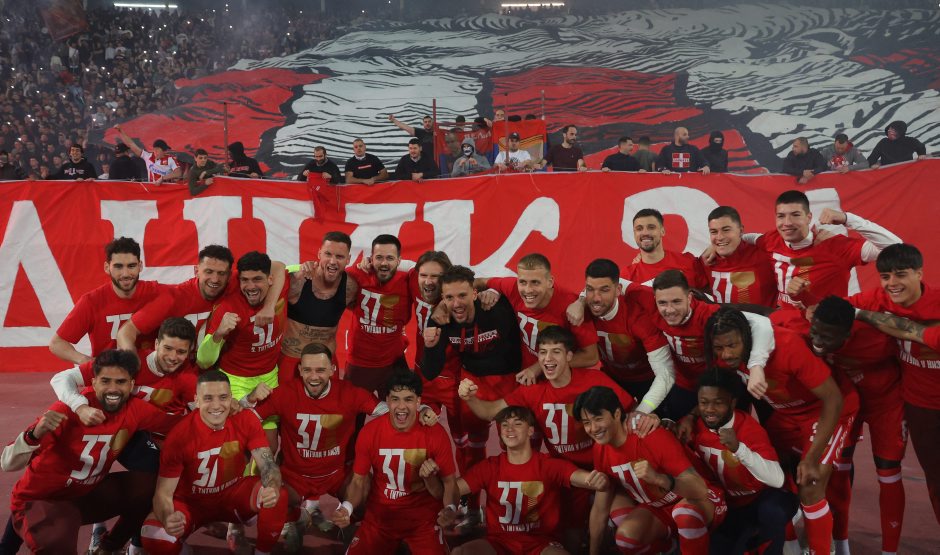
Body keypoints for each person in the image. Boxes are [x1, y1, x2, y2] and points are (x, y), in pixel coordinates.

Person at [248, 343, 438, 549]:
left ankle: (347, 522)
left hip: (337, 474)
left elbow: (390, 410)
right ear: (300, 370)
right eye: (308, 370)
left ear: (332, 369)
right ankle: (295, 518)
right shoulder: (284, 393)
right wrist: (248, 399)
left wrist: (422, 409)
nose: (314, 377)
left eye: (321, 370)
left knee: (371, 496)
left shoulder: (350, 393)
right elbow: (246, 419)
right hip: (295, 476)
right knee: (272, 496)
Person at [705, 307, 857, 555]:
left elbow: (833, 399)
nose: (726, 354)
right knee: (772, 471)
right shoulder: (725, 353)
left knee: (810, 481)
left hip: (824, 409)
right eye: (719, 348)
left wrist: (810, 458)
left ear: (746, 336)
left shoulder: (787, 347)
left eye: (732, 345)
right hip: (786, 415)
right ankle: (793, 547)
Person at [2, 350, 177, 554]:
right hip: (43, 499)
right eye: (105, 381)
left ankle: (107, 548)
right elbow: (7, 463)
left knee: (152, 486)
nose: (113, 389)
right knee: (55, 542)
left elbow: (177, 426)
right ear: (93, 383)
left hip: (84, 495)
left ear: (131, 385)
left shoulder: (135, 409)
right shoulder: (65, 410)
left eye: (120, 382)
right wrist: (34, 434)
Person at [778, 296, 907, 554]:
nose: (818, 341)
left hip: (885, 403)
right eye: (816, 332)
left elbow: (911, 351)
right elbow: (762, 316)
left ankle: (890, 552)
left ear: (847, 335)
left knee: (888, 471)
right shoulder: (800, 325)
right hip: (845, 403)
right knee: (838, 470)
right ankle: (841, 545)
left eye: (827, 337)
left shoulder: (879, 339)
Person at [139, 370, 288, 555]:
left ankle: (262, 552)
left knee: (278, 494)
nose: (216, 405)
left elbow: (268, 465)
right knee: (153, 535)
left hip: (232, 495)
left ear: (231, 398)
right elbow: (163, 494)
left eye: (223, 397)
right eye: (208, 398)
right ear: (197, 400)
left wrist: (272, 487)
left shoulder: (246, 419)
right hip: (191, 504)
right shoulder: (179, 436)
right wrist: (168, 517)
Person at [430, 405, 610, 555]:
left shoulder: (548, 465)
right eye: (505, 425)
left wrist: (597, 480)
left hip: (540, 543)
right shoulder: (490, 467)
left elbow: (582, 478)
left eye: (517, 424)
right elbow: (451, 488)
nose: (510, 429)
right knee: (460, 553)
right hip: (499, 543)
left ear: (530, 430)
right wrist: (431, 481)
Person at [848, 243, 940, 523]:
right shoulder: (880, 298)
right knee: (936, 478)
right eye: (885, 277)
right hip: (920, 406)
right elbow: (834, 308)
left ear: (919, 273)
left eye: (900, 275)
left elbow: (915, 333)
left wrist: (866, 316)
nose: (892, 283)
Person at [421, 265, 522, 520]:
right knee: (472, 449)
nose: (456, 304)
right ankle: (474, 509)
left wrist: (494, 291)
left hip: (508, 381)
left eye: (462, 295)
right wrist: (429, 345)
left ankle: (515, 509)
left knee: (515, 446)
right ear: (442, 299)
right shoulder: (440, 318)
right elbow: (431, 371)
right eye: (449, 297)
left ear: (475, 293)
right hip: (472, 383)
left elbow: (521, 289)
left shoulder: (495, 306)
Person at [577, 385, 726, 555]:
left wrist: (659, 479)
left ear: (617, 414)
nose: (593, 428)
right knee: (626, 539)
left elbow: (700, 489)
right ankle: (669, 548)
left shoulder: (650, 434)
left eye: (598, 419)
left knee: (684, 513)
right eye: (587, 423)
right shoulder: (600, 449)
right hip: (659, 508)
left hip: (701, 498)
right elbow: (600, 509)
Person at [331, 371, 459, 554]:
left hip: (423, 521)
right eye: (395, 399)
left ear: (419, 402)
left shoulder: (436, 434)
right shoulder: (370, 432)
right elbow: (358, 481)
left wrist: (451, 508)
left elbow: (450, 482)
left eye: (408, 399)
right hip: (380, 519)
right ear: (387, 401)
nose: (401, 406)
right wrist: (347, 508)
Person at [690, 370, 797, 555]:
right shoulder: (694, 427)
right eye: (704, 402)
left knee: (773, 512)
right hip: (729, 506)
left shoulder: (749, 430)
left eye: (718, 403)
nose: (709, 410)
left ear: (732, 403)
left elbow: (777, 479)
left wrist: (739, 449)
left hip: (762, 499)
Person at [745, 190, 901, 310]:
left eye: (795, 215)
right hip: (783, 326)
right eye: (781, 216)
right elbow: (751, 238)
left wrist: (847, 218)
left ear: (809, 217)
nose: (787, 223)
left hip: (824, 330)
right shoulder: (771, 239)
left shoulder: (834, 246)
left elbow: (895, 247)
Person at [651, 270, 774, 418]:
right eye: (662, 303)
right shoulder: (648, 307)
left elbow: (763, 322)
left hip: (719, 382)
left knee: (733, 425)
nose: (669, 310)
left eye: (677, 302)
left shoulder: (709, 313)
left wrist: (755, 366)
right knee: (676, 424)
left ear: (689, 297)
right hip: (682, 383)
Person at [196, 251, 289, 442]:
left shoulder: (280, 287)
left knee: (270, 445)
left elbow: (280, 266)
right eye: (245, 280)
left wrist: (269, 306)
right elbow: (203, 362)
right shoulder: (228, 307)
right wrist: (219, 333)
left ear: (270, 279)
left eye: (257, 279)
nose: (251, 286)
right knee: (238, 444)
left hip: (269, 379)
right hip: (235, 382)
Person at [566, 258, 677, 411]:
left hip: (648, 379)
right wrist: (580, 301)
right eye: (590, 289)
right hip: (612, 377)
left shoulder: (638, 316)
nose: (596, 298)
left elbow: (666, 373)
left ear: (618, 290)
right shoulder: (580, 310)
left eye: (604, 290)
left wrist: (642, 411)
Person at [478, 253, 599, 384]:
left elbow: (591, 357)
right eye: (522, 282)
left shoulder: (571, 307)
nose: (528, 290)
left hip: (560, 381)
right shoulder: (512, 287)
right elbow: (479, 282)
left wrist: (539, 367)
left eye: (535, 282)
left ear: (550, 282)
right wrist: (493, 291)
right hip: (525, 376)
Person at [50, 237, 165, 364]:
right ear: (107, 267)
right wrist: (87, 362)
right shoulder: (92, 301)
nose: (125, 274)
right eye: (118, 267)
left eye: (131, 266)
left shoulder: (157, 293)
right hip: (110, 375)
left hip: (151, 373)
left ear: (140, 266)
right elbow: (57, 343)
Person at [280, 231, 358, 382]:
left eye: (340, 256)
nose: (333, 261)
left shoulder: (351, 287)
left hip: (326, 362)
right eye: (328, 254)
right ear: (319, 253)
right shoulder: (298, 279)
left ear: (348, 259)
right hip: (292, 360)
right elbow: (271, 274)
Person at [344, 234, 413, 397]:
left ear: (399, 260)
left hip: (394, 362)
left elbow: (430, 270)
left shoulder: (409, 280)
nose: (384, 263)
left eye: (390, 258)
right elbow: (333, 274)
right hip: (360, 362)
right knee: (352, 410)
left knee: (402, 409)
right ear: (371, 258)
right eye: (379, 257)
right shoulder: (357, 273)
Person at [705, 206, 777, 306]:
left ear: (741, 230)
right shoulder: (706, 260)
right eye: (714, 232)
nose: (720, 237)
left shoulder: (765, 255)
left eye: (726, 230)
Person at [625, 208, 709, 289]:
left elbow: (707, 295)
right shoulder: (626, 276)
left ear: (662, 231)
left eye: (651, 227)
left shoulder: (688, 262)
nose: (645, 233)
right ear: (634, 233)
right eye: (639, 229)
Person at [113, 124, 181, 184]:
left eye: (158, 149)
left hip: (166, 190)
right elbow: (131, 144)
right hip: (151, 190)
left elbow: (178, 173)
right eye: (155, 149)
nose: (155, 151)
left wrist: (162, 178)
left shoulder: (170, 159)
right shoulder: (148, 156)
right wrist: (121, 131)